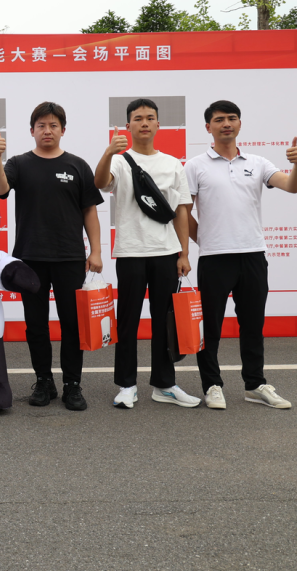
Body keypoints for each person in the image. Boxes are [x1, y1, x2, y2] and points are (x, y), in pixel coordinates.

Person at [185, 100, 297, 410]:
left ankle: (255, 384)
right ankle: (211, 384)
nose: (227, 123)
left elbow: (291, 186)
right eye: (219, 119)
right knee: (210, 326)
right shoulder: (196, 165)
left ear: (239, 124)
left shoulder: (258, 163)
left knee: (253, 323)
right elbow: (183, 211)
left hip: (253, 255)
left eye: (232, 118)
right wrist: (205, 240)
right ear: (208, 127)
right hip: (214, 258)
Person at [0, 101, 103, 411]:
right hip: (30, 258)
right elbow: (0, 189)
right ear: (32, 131)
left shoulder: (78, 166)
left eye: (53, 125)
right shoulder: (18, 163)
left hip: (69, 258)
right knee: (36, 325)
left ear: (62, 130)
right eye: (41, 125)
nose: (47, 130)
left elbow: (89, 211)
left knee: (71, 324)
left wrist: (95, 251)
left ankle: (72, 384)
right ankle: (44, 381)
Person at [93, 98, 199, 409]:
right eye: (137, 118)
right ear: (127, 126)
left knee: (163, 321)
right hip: (130, 252)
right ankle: (126, 385)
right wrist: (109, 151)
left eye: (149, 118)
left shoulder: (172, 164)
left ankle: (164, 385)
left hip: (166, 253)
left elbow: (180, 211)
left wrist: (183, 254)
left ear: (157, 125)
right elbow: (100, 184)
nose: (144, 123)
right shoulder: (119, 161)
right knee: (127, 321)